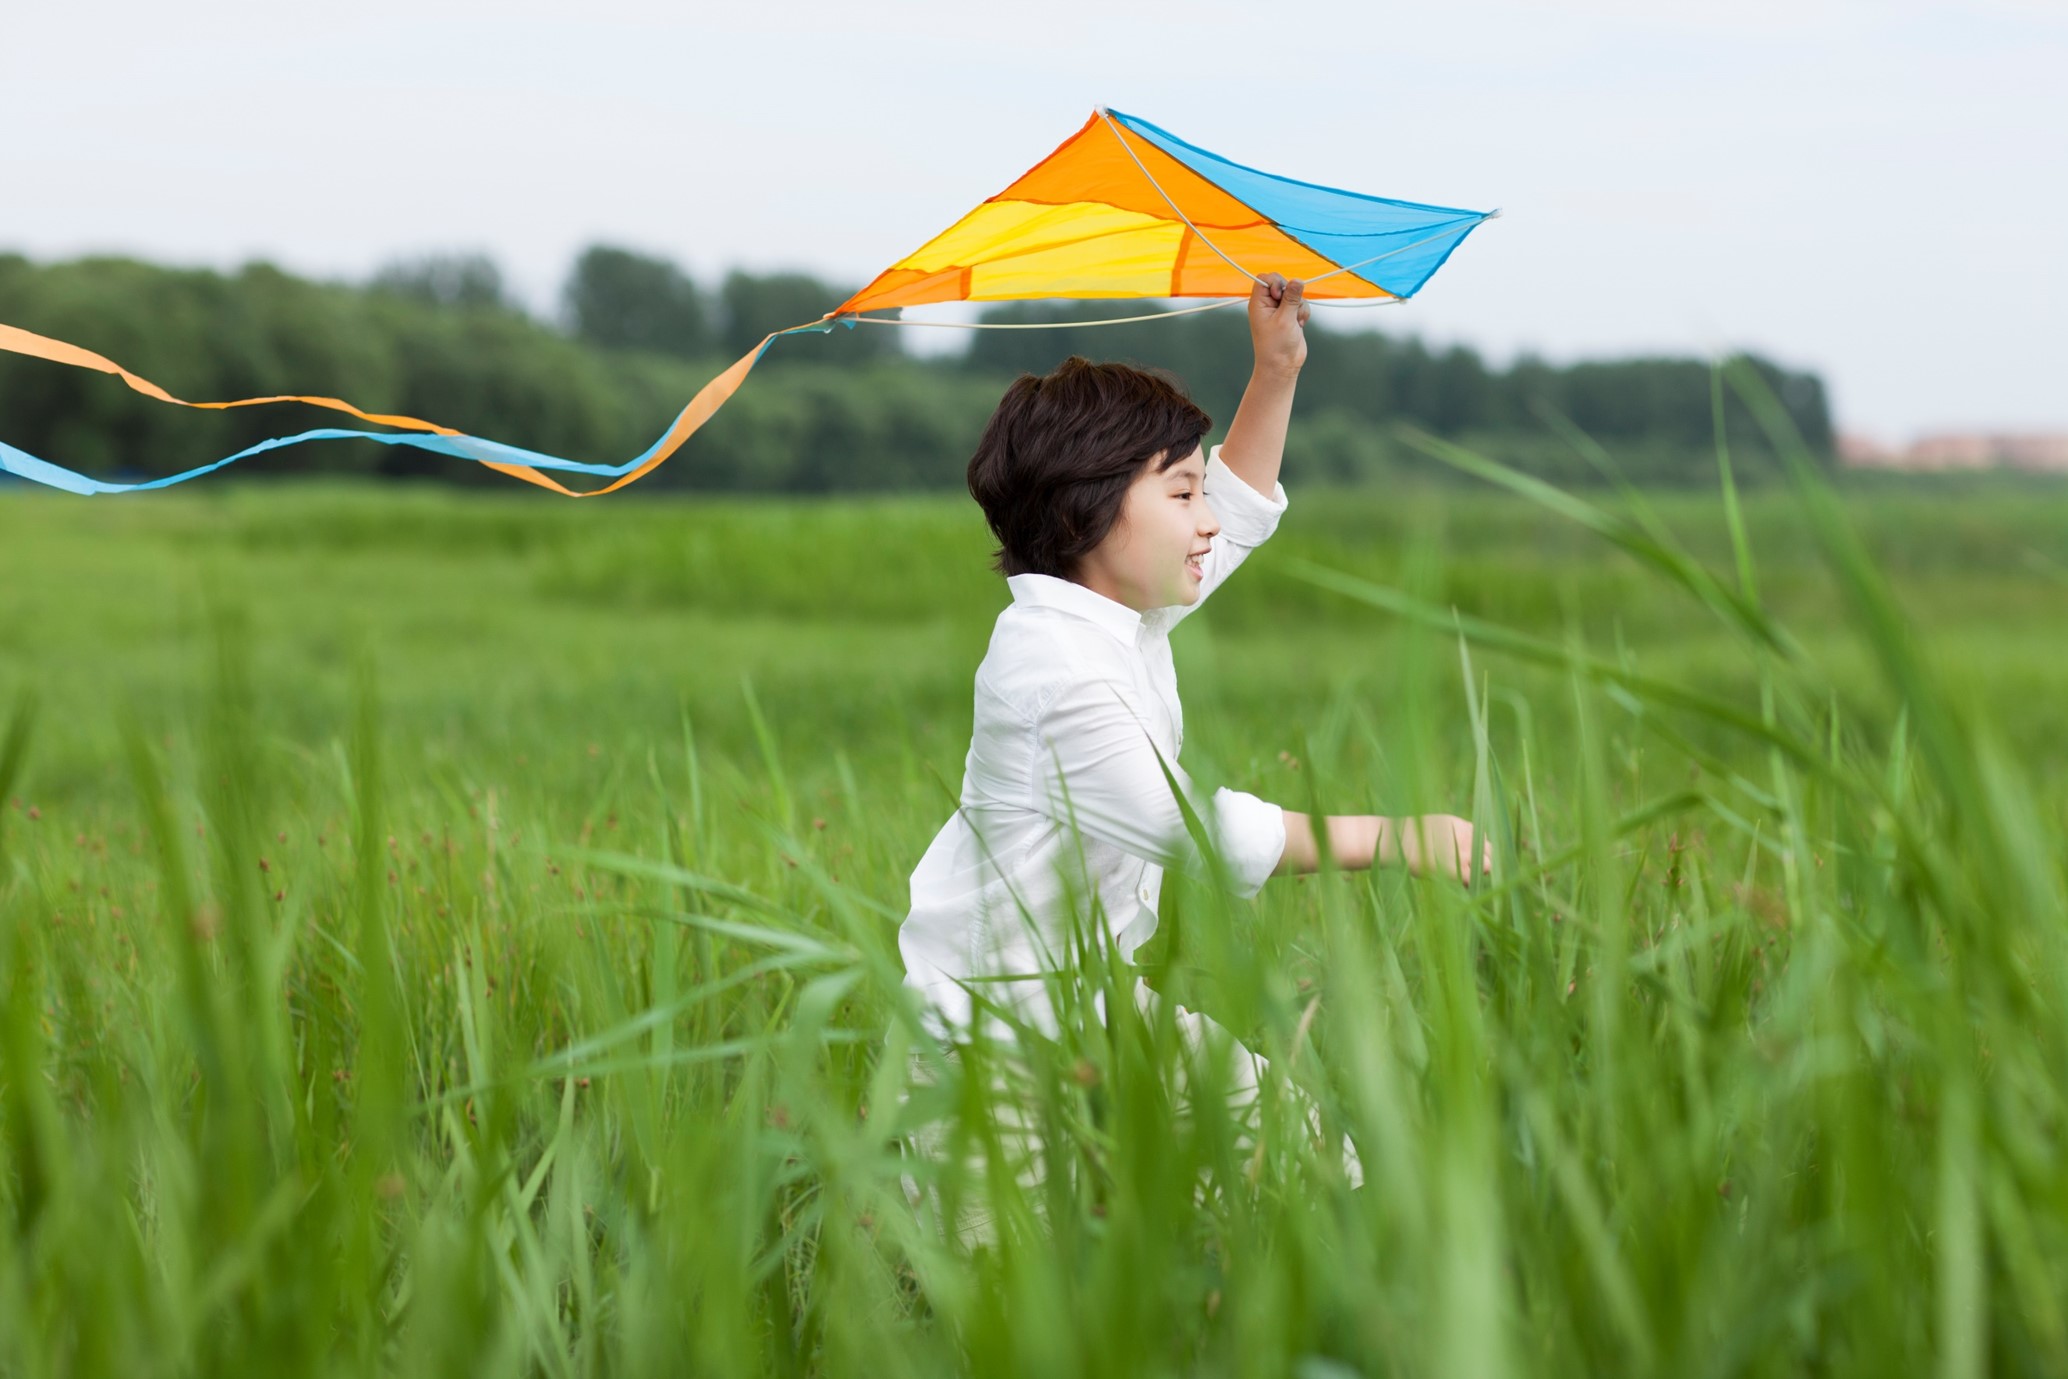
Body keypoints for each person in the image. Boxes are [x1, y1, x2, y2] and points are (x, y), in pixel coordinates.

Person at [896, 276, 1489, 1230]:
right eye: (1181, 491)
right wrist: (1398, 836)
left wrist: (1276, 368)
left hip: (1093, 1007)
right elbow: (1196, 833)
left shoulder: (1118, 616)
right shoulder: (1054, 667)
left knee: (1297, 1153)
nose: (1205, 515)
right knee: (1009, 1297)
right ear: (1090, 511)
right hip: (985, 1043)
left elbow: (1238, 512)